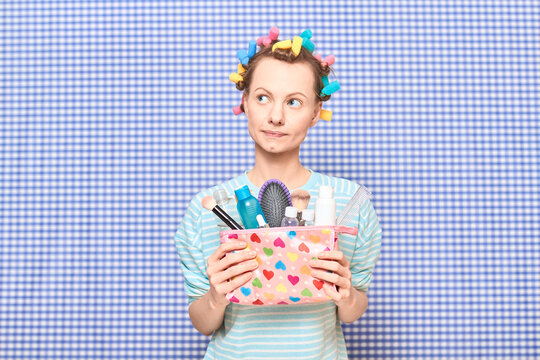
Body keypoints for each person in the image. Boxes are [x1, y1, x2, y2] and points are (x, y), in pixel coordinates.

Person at [174, 27, 382, 360]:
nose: (275, 116)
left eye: (294, 102)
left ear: (315, 113)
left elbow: (352, 311)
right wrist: (216, 297)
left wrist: (346, 294)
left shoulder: (349, 202)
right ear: (244, 103)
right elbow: (203, 322)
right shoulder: (208, 207)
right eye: (262, 97)